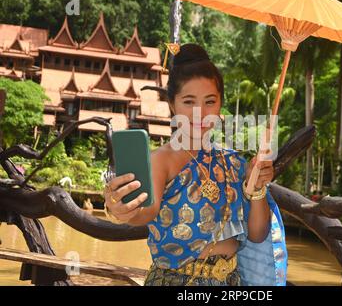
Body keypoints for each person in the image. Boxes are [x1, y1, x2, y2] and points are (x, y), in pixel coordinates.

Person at [103, 44, 287, 286]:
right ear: (172, 105)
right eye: (189, 102)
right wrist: (121, 209)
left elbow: (257, 233)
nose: (200, 113)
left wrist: (258, 187)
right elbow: (145, 212)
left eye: (210, 101)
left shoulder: (234, 163)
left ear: (220, 103)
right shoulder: (161, 161)